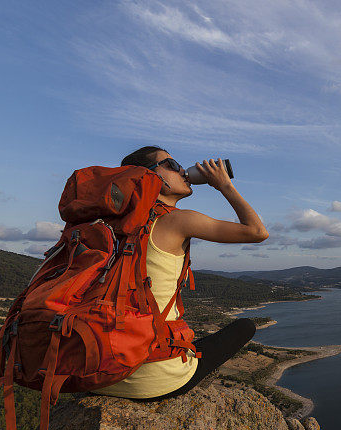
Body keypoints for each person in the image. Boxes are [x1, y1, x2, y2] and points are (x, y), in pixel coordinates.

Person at [92, 146, 269, 401]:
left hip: (97, 374)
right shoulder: (178, 220)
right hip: (151, 382)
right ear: (150, 177)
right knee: (245, 326)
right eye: (172, 165)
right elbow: (257, 232)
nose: (183, 171)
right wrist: (224, 185)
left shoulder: (106, 226)